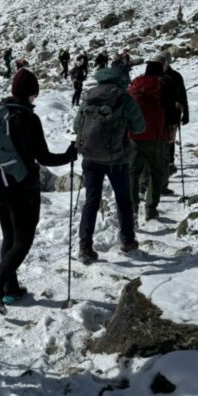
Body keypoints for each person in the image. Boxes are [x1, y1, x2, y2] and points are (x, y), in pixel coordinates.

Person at [0, 68, 75, 311]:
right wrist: (68, 155)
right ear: (30, 94)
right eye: (34, 94)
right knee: (23, 241)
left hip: (0, 186)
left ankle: (11, 290)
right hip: (24, 188)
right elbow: (43, 156)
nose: (35, 99)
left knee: (9, 238)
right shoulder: (28, 118)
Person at [75, 64, 145, 262]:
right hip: (117, 159)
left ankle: (85, 246)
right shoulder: (124, 98)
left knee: (91, 200)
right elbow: (139, 127)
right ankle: (127, 241)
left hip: (90, 158)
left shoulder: (89, 97)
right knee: (123, 200)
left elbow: (76, 125)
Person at [127, 59, 172, 221]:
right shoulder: (163, 85)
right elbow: (170, 110)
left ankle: (132, 207)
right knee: (156, 172)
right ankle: (150, 208)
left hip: (135, 135)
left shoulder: (136, 84)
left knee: (133, 172)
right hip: (156, 135)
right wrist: (171, 130)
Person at [156, 50, 189, 193]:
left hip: (171, 117)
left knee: (169, 142)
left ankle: (169, 166)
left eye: (162, 62)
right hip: (158, 117)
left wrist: (186, 113)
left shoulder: (176, 77)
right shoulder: (155, 76)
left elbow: (182, 95)